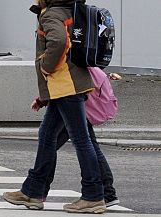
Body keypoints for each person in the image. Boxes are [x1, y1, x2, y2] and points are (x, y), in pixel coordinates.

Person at [3, 0, 106, 214]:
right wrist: (44, 95)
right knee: (48, 136)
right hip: (66, 85)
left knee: (81, 140)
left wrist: (46, 67)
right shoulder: (69, 9)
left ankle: (93, 195)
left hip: (66, 86)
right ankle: (33, 192)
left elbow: (58, 42)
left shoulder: (50, 15)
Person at [32, 73, 121, 208]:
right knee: (86, 144)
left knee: (50, 143)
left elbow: (63, 74)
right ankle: (106, 193)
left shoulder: (73, 58)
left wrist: (42, 99)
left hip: (73, 100)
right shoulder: (88, 62)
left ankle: (37, 192)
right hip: (79, 100)